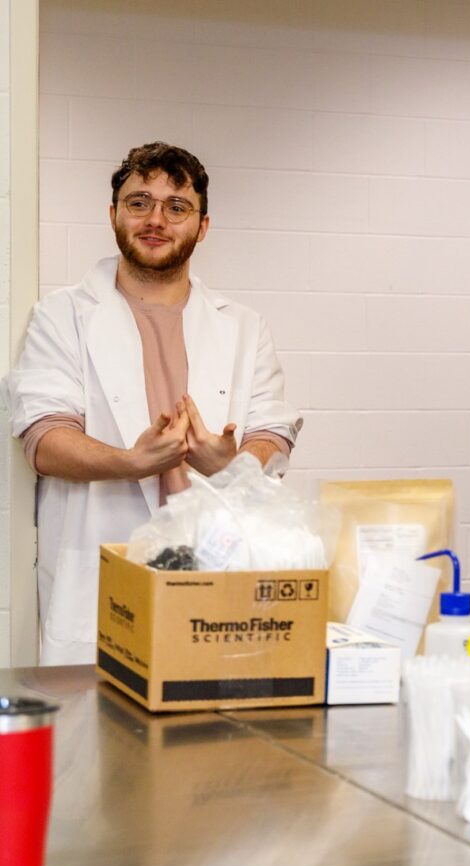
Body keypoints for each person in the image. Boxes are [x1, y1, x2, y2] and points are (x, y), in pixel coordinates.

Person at [3, 142, 301, 665]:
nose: (155, 219)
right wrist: (131, 463)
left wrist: (230, 466)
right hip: (100, 576)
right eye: (138, 202)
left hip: (212, 577)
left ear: (202, 225)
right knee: (92, 740)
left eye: (177, 207)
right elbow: (43, 439)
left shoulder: (244, 327)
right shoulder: (62, 316)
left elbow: (272, 438)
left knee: (207, 738)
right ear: (113, 214)